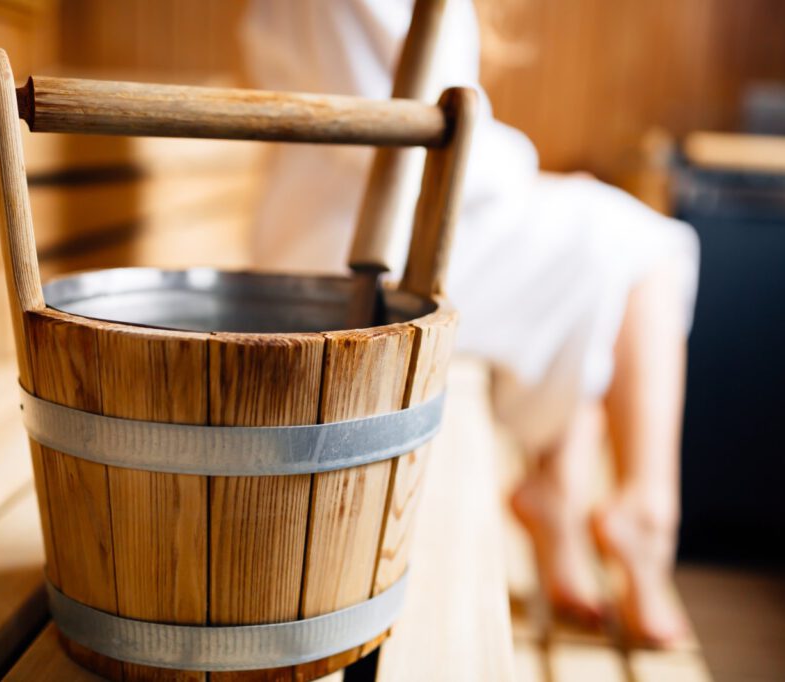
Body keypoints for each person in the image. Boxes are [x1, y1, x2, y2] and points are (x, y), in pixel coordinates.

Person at [240, 0, 699, 648]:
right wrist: (528, 167)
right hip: (358, 250)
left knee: (594, 251)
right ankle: (646, 513)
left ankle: (558, 503)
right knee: (645, 250)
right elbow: (398, 127)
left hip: (369, 227)